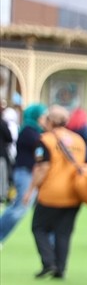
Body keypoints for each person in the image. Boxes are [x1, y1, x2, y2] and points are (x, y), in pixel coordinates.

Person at [28, 106, 86, 279]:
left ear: (51, 121)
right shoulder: (78, 140)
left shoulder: (45, 139)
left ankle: (48, 262)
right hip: (74, 192)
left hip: (52, 192)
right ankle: (60, 268)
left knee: (38, 227)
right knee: (64, 232)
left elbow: (42, 168)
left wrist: (30, 190)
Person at [0, 103, 45, 247]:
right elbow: (40, 150)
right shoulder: (29, 131)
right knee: (19, 208)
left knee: (24, 209)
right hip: (25, 173)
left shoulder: (34, 131)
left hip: (30, 173)